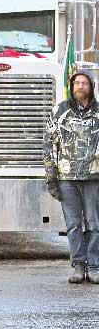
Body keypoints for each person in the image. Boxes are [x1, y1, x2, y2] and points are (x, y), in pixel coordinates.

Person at [43, 71, 99, 284]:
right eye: (77, 83)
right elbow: (49, 146)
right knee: (73, 225)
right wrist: (51, 178)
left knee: (94, 224)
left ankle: (94, 267)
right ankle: (78, 265)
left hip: (94, 177)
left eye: (85, 83)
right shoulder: (59, 111)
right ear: (72, 86)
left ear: (91, 87)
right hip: (66, 178)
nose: (80, 87)